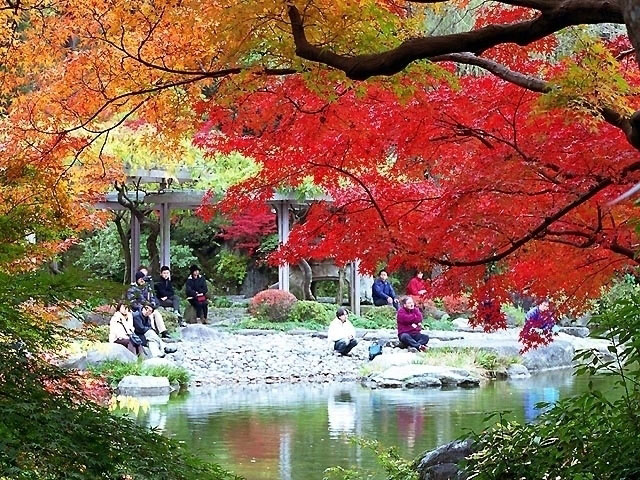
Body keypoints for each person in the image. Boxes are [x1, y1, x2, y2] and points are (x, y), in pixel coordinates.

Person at [126, 271, 170, 338]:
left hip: (148, 307)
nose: (142, 281)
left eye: (143, 279)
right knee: (150, 315)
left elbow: (152, 297)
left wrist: (152, 304)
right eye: (140, 279)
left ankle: (163, 331)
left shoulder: (147, 287)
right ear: (137, 279)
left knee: (156, 313)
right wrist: (143, 307)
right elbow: (132, 302)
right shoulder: (132, 289)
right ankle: (152, 332)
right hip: (138, 309)